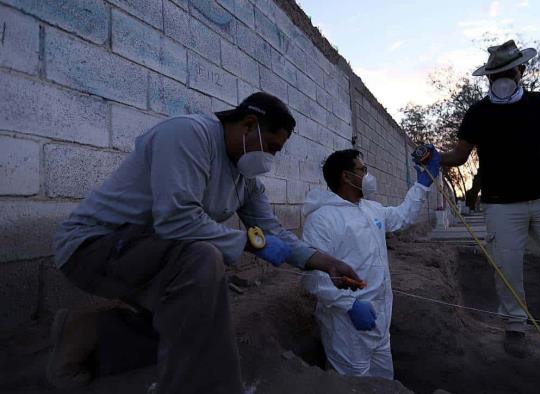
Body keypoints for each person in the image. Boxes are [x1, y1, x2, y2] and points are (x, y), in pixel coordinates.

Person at [48, 92, 363, 394]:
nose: (269, 158)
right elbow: (175, 218)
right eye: (271, 146)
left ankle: (85, 333)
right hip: (92, 246)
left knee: (195, 318)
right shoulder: (188, 134)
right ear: (249, 125)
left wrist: (326, 263)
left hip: (147, 253)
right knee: (202, 262)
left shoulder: (246, 182)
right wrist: (250, 244)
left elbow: (274, 233)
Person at [422, 40, 540, 358]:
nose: (501, 80)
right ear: (488, 79)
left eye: (507, 72)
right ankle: (515, 325)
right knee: (506, 266)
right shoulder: (477, 113)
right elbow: (460, 155)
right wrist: (434, 157)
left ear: (521, 71)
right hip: (501, 204)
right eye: (495, 75)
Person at [300, 147, 440, 378]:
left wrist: (422, 184)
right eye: (362, 169)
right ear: (346, 176)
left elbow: (403, 216)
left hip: (380, 321)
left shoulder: (371, 209)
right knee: (354, 386)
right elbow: (312, 277)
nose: (368, 175)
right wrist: (350, 305)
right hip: (347, 325)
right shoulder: (322, 219)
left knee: (384, 382)